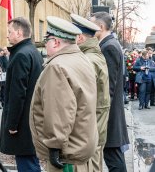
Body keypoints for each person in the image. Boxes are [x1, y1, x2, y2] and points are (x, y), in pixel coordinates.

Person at [30, 16, 98, 172]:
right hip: (80, 146)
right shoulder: (81, 59)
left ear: (55, 42)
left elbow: (59, 112)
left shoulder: (57, 67)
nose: (44, 45)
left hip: (66, 155)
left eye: (46, 40)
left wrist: (54, 146)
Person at [0, 17, 43, 171]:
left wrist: (12, 124)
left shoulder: (21, 55)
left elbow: (18, 94)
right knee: (30, 162)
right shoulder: (32, 51)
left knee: (27, 165)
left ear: (19, 33)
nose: (7, 35)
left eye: (10, 32)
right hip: (31, 118)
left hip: (23, 122)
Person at [90, 12, 130, 172]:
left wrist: (101, 116)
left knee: (113, 159)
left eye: (92, 25)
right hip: (111, 114)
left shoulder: (109, 47)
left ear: (100, 27)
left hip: (110, 116)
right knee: (113, 157)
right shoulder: (109, 44)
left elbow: (108, 87)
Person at [72, 13, 110, 171]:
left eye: (72, 36)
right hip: (93, 132)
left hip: (89, 134)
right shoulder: (92, 56)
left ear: (80, 38)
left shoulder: (88, 60)